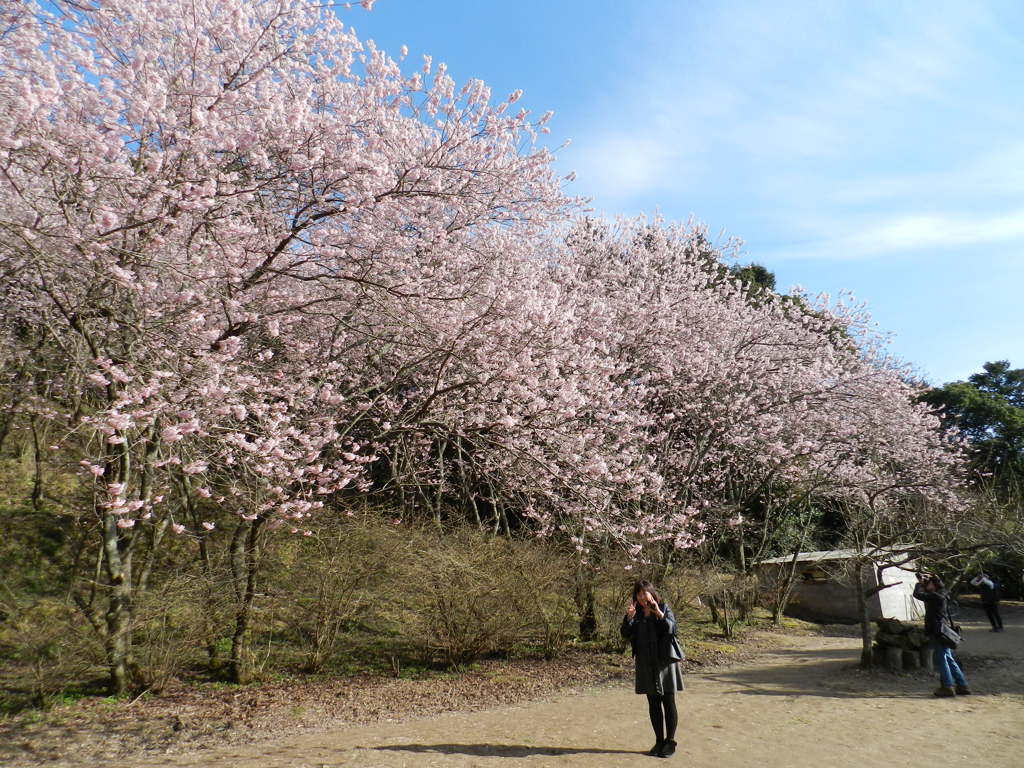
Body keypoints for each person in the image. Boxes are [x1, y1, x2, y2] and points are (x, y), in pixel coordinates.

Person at [620, 580, 685, 758]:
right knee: (653, 704)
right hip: (645, 662)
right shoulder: (637, 613)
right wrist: (629, 618)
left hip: (664, 661)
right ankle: (659, 741)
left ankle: (670, 742)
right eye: (638, 594)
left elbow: (672, 629)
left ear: (651, 593)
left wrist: (659, 614)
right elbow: (625, 634)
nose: (642, 597)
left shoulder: (663, 607)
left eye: (644, 593)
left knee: (668, 702)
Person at [913, 574, 971, 697]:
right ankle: (962, 684)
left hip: (937, 631)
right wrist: (926, 582)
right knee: (948, 658)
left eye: (928, 583)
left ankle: (947, 686)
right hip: (943, 630)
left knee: (942, 659)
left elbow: (917, 594)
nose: (926, 584)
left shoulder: (935, 596)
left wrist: (918, 583)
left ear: (934, 584)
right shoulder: (942, 594)